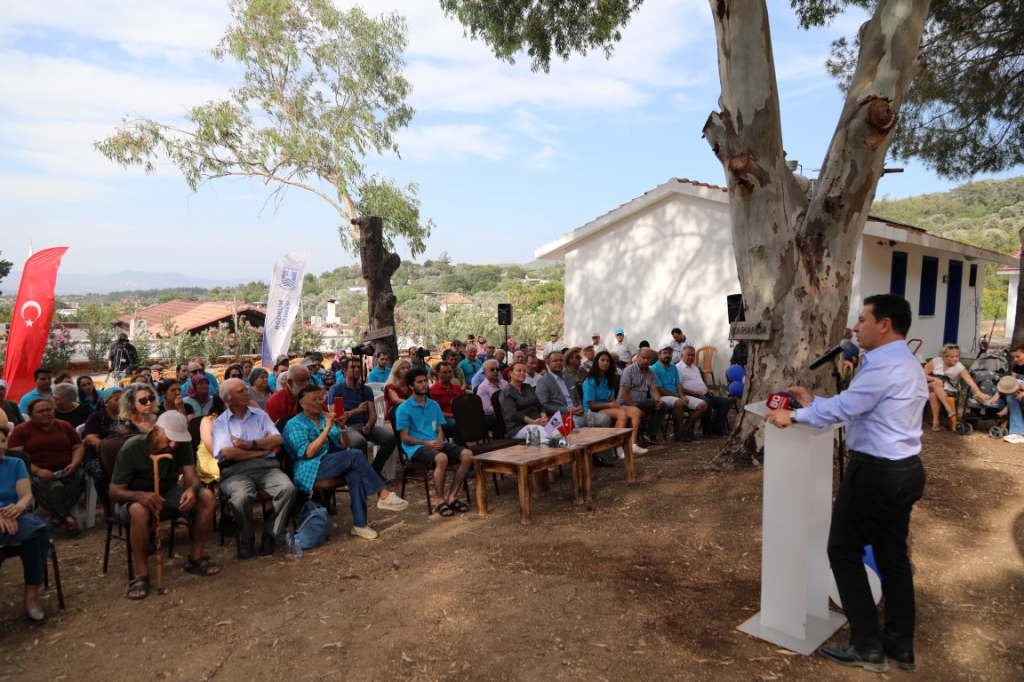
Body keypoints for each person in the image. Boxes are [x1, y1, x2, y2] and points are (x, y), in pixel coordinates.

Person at [764, 294, 927, 674]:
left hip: (877, 473)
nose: (855, 327)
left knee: (842, 551)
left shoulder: (884, 364)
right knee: (892, 555)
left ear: (884, 325)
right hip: (904, 470)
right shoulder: (905, 362)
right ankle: (899, 645)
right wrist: (814, 403)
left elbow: (849, 407)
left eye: (862, 319)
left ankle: (867, 644)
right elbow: (861, 406)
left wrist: (795, 416)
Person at [109, 411, 220, 599]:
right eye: (169, 439)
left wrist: (191, 490)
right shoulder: (132, 448)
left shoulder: (181, 445)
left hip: (167, 491)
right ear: (155, 431)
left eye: (178, 440)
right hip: (133, 496)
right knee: (139, 510)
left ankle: (195, 558)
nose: (173, 445)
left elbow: (192, 476)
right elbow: (114, 491)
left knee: (207, 497)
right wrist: (140, 496)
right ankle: (141, 574)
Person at [283, 386, 407, 539]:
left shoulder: (323, 418)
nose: (318, 402)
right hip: (311, 466)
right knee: (355, 455)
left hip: (335, 461)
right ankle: (382, 494)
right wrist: (327, 429)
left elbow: (344, 445)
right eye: (313, 399)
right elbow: (309, 452)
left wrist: (342, 427)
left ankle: (360, 525)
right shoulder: (295, 424)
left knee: (355, 475)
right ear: (302, 403)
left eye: (320, 398)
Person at [212, 379, 296, 558]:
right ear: (227, 399)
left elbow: (277, 439)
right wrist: (260, 451)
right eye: (240, 391)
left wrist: (247, 444)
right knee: (241, 496)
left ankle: (271, 534)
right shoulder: (220, 423)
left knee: (287, 488)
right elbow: (228, 453)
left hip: (267, 468)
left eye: (245, 389)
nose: (246, 393)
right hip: (235, 472)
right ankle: (247, 536)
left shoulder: (260, 415)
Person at [395, 367, 474, 518]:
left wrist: (440, 438)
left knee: (467, 454)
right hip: (416, 447)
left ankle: (452, 497)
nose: (424, 384)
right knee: (441, 458)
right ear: (411, 386)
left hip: (435, 443)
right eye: (419, 382)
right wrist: (428, 444)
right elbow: (404, 438)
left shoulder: (433, 405)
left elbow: (439, 428)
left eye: (425, 381)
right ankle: (440, 500)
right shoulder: (404, 408)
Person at [8, 399, 86, 534]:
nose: (46, 413)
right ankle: (66, 517)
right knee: (33, 483)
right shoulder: (21, 430)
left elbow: (78, 446)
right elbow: (16, 457)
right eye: (40, 411)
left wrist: (74, 464)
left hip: (66, 469)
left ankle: (58, 516)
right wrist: (38, 471)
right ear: (30, 415)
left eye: (49, 409)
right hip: (35, 471)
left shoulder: (64, 426)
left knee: (80, 475)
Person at [0, 426, 53, 625]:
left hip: (16, 514)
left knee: (38, 538)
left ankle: (32, 599)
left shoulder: (15, 463)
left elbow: (26, 495)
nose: (1, 446)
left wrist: (18, 509)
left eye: (3, 441)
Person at [328, 358, 397, 477]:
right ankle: (362, 473)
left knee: (391, 438)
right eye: (352, 367)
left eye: (358, 367)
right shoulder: (337, 389)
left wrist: (369, 425)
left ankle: (374, 470)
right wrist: (357, 411)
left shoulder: (366, 389)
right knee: (359, 442)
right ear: (344, 370)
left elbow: (373, 413)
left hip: (366, 424)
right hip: (348, 427)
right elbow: (338, 418)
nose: (356, 370)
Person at [583, 351, 646, 454]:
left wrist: (616, 405)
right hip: (593, 411)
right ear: (596, 362)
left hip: (608, 407)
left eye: (608, 361)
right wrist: (611, 405)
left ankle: (633, 444)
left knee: (635, 411)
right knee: (621, 414)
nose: (605, 363)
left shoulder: (608, 379)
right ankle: (617, 447)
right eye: (602, 360)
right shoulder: (590, 381)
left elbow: (612, 398)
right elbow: (591, 405)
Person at [923, 343, 989, 432]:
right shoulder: (936, 361)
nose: (955, 359)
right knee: (935, 383)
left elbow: (970, 381)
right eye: (952, 357)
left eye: (957, 356)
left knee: (933, 395)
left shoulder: (959, 367)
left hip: (948, 389)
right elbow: (922, 375)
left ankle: (936, 422)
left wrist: (979, 393)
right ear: (944, 357)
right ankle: (947, 408)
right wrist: (934, 378)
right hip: (928, 386)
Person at [81, 386, 124, 505]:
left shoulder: (129, 416)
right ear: (106, 402)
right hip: (96, 457)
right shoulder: (96, 417)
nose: (121, 402)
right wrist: (111, 448)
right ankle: (108, 505)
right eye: (117, 399)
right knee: (101, 472)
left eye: (123, 398)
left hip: (123, 456)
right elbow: (90, 439)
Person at [676, 346, 733, 437]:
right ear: (682, 355)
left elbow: (701, 382)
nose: (691, 357)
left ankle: (717, 429)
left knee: (725, 402)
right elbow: (678, 387)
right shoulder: (678, 368)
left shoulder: (695, 368)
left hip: (704, 393)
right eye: (688, 355)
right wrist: (693, 392)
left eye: (692, 355)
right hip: (691, 395)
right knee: (707, 402)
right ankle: (707, 431)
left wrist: (709, 389)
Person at [653, 345, 705, 442]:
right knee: (679, 402)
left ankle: (683, 430)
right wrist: (678, 397)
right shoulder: (654, 369)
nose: (667, 355)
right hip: (661, 397)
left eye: (669, 353)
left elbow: (678, 385)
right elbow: (659, 389)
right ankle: (678, 432)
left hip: (676, 396)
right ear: (659, 355)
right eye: (665, 353)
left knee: (703, 405)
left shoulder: (673, 367)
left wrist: (682, 396)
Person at [617, 347, 668, 446]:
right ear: (638, 357)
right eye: (643, 357)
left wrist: (658, 400)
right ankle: (632, 442)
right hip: (625, 403)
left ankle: (650, 435)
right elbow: (624, 394)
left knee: (663, 405)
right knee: (636, 411)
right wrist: (635, 408)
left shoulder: (651, 372)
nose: (645, 361)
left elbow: (654, 389)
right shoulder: (629, 370)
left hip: (641, 402)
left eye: (648, 358)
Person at [498, 361, 550, 439]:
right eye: (519, 371)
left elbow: (539, 405)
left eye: (524, 371)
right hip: (518, 427)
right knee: (547, 434)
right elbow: (514, 414)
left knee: (558, 430)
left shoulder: (528, 387)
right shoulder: (506, 392)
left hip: (538, 421)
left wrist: (544, 418)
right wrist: (533, 422)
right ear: (510, 373)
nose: (522, 373)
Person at [428, 361, 464, 445]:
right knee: (456, 423)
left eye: (450, 371)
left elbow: (463, 404)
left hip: (459, 416)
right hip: (444, 420)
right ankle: (460, 448)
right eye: (445, 372)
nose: (448, 374)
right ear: (438, 374)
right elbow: (436, 413)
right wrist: (455, 416)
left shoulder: (457, 387)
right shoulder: (433, 390)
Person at [476, 359, 508, 435]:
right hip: (491, 416)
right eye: (492, 369)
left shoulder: (505, 383)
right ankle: (499, 440)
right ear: (485, 372)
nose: (495, 371)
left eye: (497, 369)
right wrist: (504, 409)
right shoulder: (482, 387)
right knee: (496, 419)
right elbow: (487, 410)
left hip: (507, 412)